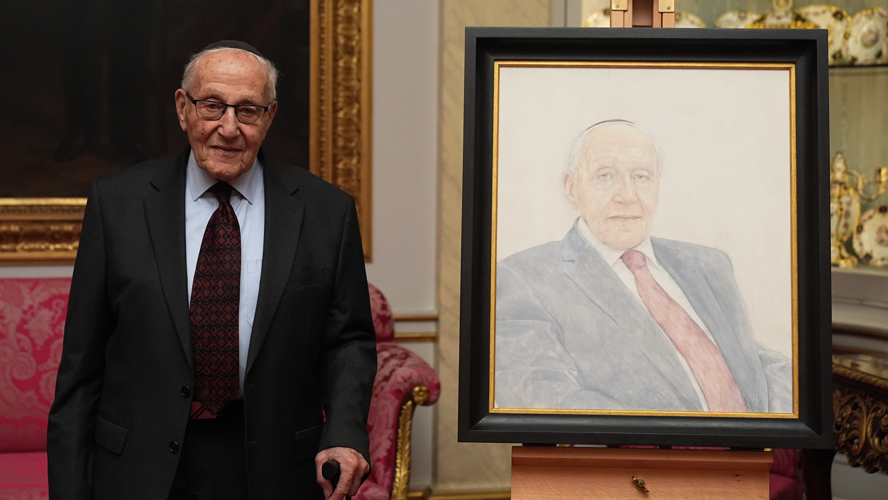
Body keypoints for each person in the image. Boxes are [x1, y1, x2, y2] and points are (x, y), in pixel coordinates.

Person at [47, 40, 376, 500]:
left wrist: (343, 430)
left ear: (270, 116)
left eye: (247, 111)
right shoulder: (116, 204)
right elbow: (81, 371)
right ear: (183, 108)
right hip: (139, 467)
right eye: (212, 106)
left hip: (273, 465)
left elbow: (348, 342)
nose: (228, 128)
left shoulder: (326, 211)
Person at [495, 120, 792, 413]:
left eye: (641, 177)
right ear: (572, 188)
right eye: (605, 176)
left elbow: (752, 362)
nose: (627, 196)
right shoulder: (525, 279)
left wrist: (770, 434)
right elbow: (542, 399)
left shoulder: (708, 265)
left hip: (751, 457)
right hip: (640, 458)